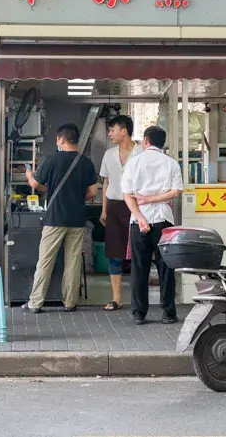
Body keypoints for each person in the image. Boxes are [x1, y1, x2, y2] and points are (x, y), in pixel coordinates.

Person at [23, 123, 98, 313]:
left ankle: (35, 302)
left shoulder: (52, 159)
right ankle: (70, 302)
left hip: (55, 218)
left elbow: (37, 184)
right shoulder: (86, 162)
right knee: (73, 261)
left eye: (57, 139)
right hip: (77, 219)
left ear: (62, 139)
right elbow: (92, 192)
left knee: (45, 260)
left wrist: (29, 175)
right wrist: (75, 197)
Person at [121, 125, 183, 325]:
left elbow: (127, 195)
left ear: (146, 141)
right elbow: (175, 192)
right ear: (162, 143)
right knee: (166, 266)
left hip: (139, 221)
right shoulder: (172, 163)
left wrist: (140, 217)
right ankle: (168, 313)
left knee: (140, 267)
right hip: (163, 219)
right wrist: (153, 199)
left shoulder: (134, 163)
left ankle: (139, 313)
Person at [99, 114, 142, 311]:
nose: (109, 134)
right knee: (114, 254)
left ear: (124, 131)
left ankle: (138, 297)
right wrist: (104, 209)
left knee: (138, 253)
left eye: (112, 130)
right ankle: (116, 298)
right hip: (115, 205)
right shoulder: (108, 154)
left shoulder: (141, 152)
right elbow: (106, 182)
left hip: (138, 206)